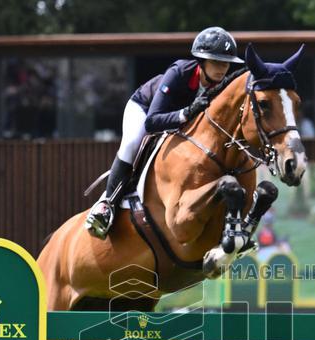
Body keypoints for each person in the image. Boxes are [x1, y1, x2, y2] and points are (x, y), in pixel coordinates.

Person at [84, 27, 244, 239]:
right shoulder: (179, 73)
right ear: (201, 61)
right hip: (144, 108)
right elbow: (152, 122)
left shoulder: (222, 86)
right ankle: (106, 204)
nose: (222, 68)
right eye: (216, 62)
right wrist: (186, 113)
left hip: (179, 124)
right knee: (132, 143)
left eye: (226, 63)